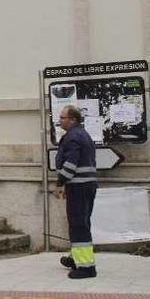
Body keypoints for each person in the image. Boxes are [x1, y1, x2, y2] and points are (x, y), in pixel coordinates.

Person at [54, 104, 98, 279]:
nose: (60, 121)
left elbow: (70, 165)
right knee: (82, 222)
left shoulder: (72, 137)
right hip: (88, 185)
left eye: (62, 118)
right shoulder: (83, 134)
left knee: (78, 225)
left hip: (78, 187)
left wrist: (60, 182)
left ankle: (86, 267)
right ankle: (75, 257)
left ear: (72, 119)